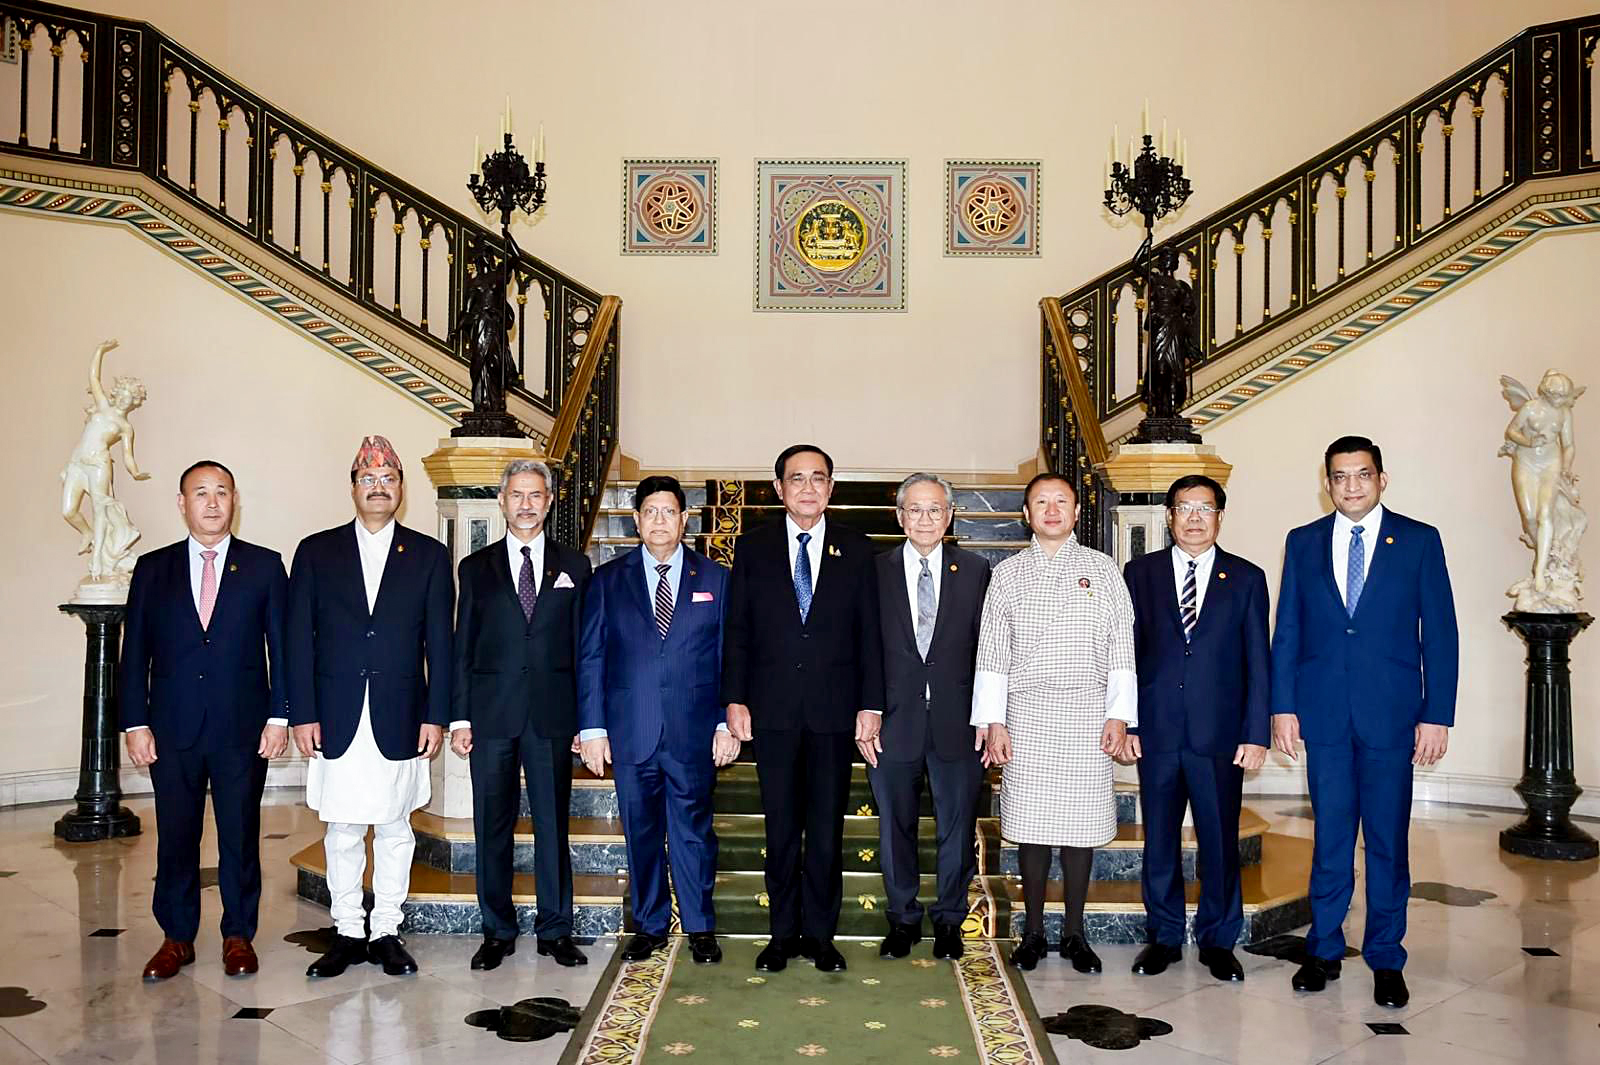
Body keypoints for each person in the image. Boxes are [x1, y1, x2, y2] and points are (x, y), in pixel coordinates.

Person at [1271, 435, 1458, 1009]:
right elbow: (1290, 631)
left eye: (1362, 475)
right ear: (1326, 483)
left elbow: (1442, 634)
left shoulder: (1420, 541)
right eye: (1340, 476)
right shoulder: (1302, 542)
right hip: (1324, 714)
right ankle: (1324, 948)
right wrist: (1283, 706)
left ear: (1382, 478)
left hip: (1391, 716)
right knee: (1329, 840)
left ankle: (1385, 956)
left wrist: (1437, 715)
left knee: (1385, 842)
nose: (1351, 485)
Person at [288, 436, 454, 978]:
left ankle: (385, 928)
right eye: (368, 479)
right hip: (335, 713)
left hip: (401, 712)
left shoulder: (429, 555)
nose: (378, 488)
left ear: (401, 488)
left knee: (394, 826)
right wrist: (302, 712)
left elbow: (440, 644)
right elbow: (298, 640)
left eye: (388, 479)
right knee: (340, 827)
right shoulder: (316, 552)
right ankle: (346, 930)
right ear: (353, 487)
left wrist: (437, 713)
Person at [121, 460, 288, 981]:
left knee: (240, 833)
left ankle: (238, 934)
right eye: (200, 493)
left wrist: (279, 717)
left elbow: (280, 651)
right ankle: (176, 937)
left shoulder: (264, 566)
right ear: (182, 503)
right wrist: (134, 723)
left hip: (242, 727)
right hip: (172, 729)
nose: (212, 503)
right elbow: (134, 655)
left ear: (235, 500)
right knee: (175, 834)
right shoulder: (153, 568)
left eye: (222, 492)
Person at [722, 444, 884, 974]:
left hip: (834, 714)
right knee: (781, 830)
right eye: (797, 479)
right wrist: (735, 698)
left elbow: (870, 637)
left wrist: (870, 705)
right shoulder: (752, 548)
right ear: (778, 489)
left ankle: (820, 935)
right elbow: (738, 632)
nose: (808, 488)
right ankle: (779, 936)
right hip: (771, 713)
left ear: (832, 488)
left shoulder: (858, 549)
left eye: (818, 478)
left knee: (826, 831)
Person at [973, 471, 1135, 973]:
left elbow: (1121, 643)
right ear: (1026, 514)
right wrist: (992, 720)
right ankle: (1034, 932)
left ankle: (1075, 932)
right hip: (1028, 712)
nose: (1050, 509)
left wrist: (1120, 714)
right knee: (1032, 826)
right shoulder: (1007, 574)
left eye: (1060, 501)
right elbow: (992, 652)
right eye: (1040, 501)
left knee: (1081, 826)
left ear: (1076, 512)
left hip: (1087, 711)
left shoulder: (1103, 569)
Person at [577, 475, 737, 965]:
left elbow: (728, 659)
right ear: (636, 521)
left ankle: (699, 925)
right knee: (641, 832)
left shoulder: (716, 579)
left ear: (685, 520)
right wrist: (592, 729)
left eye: (669, 512)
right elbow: (592, 658)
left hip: (692, 731)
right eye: (650, 512)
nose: (660, 521)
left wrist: (724, 723)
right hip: (631, 731)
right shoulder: (607, 580)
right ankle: (649, 924)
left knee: (693, 831)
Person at [1122, 474, 1269, 982]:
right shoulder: (1139, 574)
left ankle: (1218, 939)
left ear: (1220, 517)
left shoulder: (1246, 578)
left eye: (1205, 509)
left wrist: (1256, 734)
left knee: (1220, 841)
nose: (1194, 518)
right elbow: (1128, 656)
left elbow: (1258, 662)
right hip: (1157, 733)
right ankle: (1162, 937)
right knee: (1158, 839)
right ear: (1168, 516)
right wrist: (1130, 721)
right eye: (1184, 508)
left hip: (1219, 736)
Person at [450, 459, 591, 970]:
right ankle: (497, 930)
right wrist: (459, 718)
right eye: (516, 495)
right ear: (503, 501)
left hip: (553, 718)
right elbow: (461, 646)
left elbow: (583, 649)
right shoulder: (475, 568)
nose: (526, 504)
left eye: (535, 495)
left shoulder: (575, 566)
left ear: (549, 501)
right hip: (490, 718)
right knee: (493, 825)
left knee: (554, 825)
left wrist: (584, 719)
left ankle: (555, 929)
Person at [865, 473, 991, 961]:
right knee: (894, 826)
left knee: (955, 827)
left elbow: (990, 651)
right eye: (914, 509)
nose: (925, 518)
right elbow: (863, 649)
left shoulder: (977, 570)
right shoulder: (874, 571)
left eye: (935, 509)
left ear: (951, 515)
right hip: (893, 722)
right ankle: (902, 920)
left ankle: (950, 920)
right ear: (899, 516)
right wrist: (868, 708)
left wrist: (987, 714)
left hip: (958, 723)